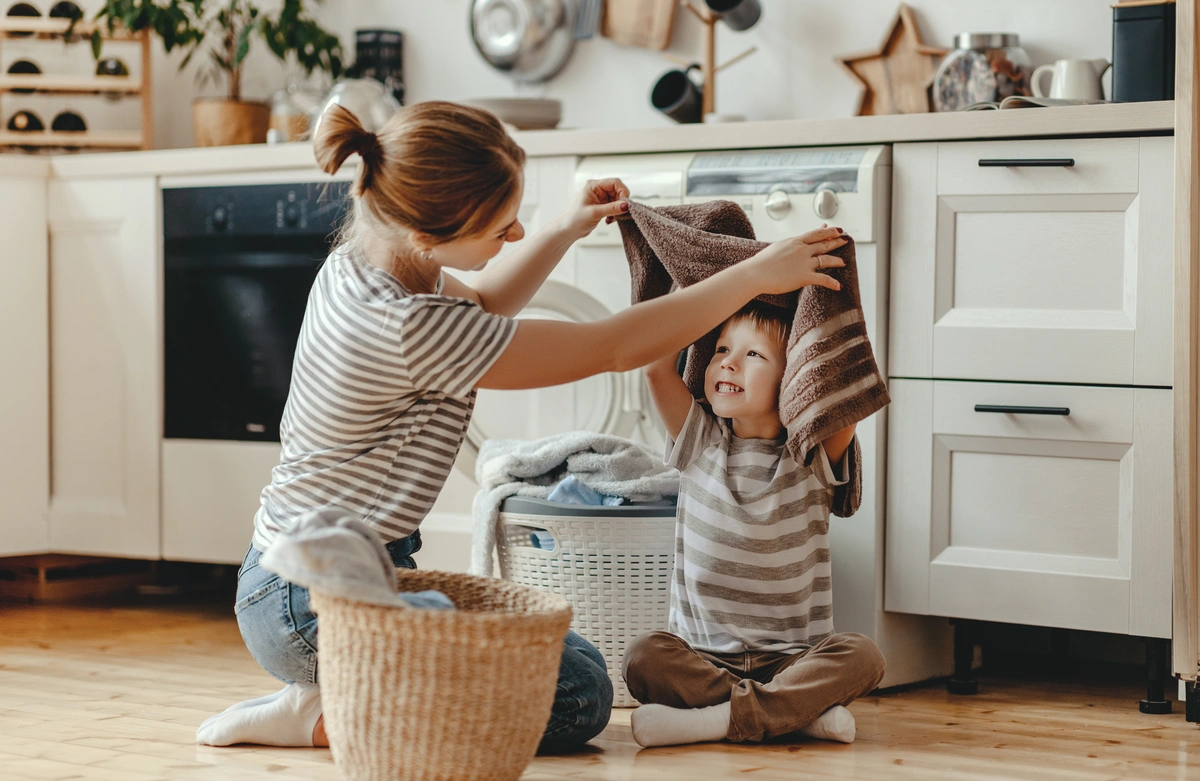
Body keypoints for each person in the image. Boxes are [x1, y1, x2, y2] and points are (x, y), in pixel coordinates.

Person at [195, 100, 849, 751]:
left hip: (334, 575)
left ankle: (351, 687)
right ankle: (324, 712)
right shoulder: (408, 328)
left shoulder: (369, 265)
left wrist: (566, 227)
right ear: (427, 234)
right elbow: (612, 347)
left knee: (581, 666)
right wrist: (753, 276)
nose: (512, 237)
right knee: (576, 702)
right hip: (305, 603)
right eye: (500, 227)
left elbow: (485, 301)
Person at [622, 301, 886, 748]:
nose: (727, 361)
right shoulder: (699, 441)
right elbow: (655, 370)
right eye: (723, 348)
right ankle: (793, 714)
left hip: (791, 660)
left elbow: (847, 387)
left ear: (797, 380)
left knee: (865, 656)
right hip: (702, 657)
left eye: (754, 355)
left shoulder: (810, 457)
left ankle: (713, 721)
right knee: (643, 658)